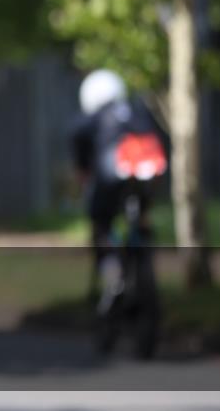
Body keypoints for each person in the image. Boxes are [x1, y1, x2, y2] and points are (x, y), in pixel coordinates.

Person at [70, 69, 168, 302]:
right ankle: (141, 231)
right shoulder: (135, 113)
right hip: (144, 177)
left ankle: (113, 276)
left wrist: (83, 171)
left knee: (100, 224)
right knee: (140, 216)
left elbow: (77, 140)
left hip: (111, 179)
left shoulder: (92, 119)